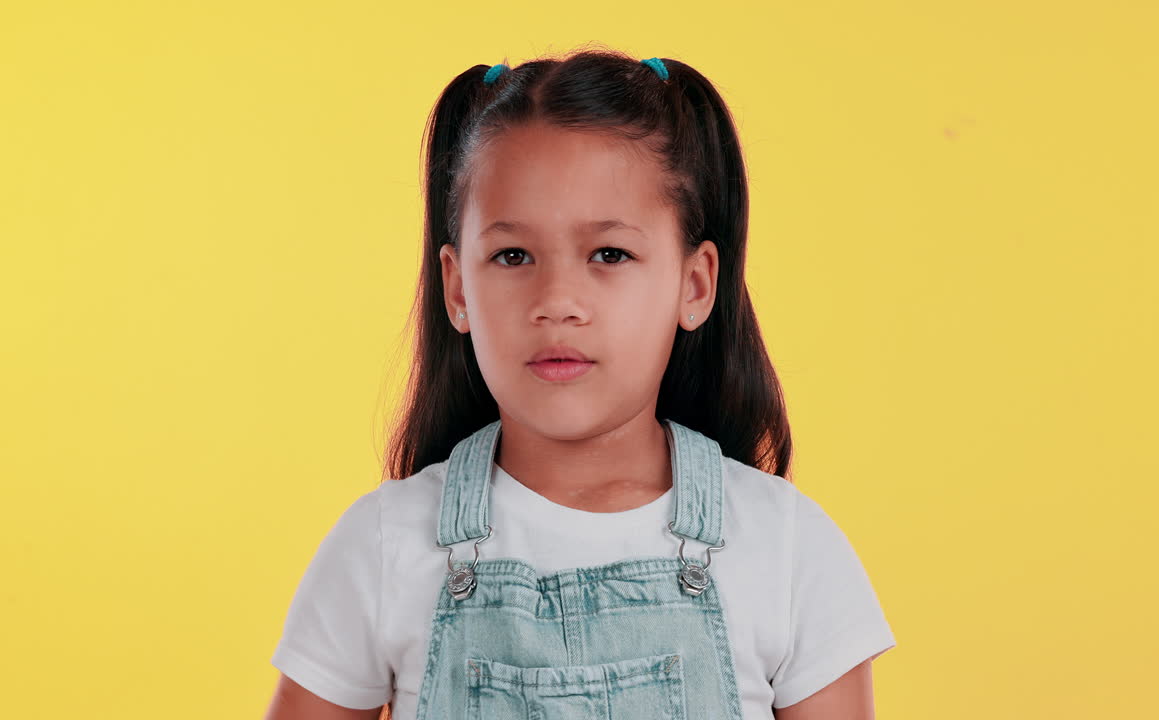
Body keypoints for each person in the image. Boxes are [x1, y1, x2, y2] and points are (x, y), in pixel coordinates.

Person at [264, 48, 896, 720]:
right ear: (457, 289)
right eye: (513, 256)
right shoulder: (385, 545)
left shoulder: (786, 548)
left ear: (695, 284)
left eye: (609, 254)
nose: (558, 300)